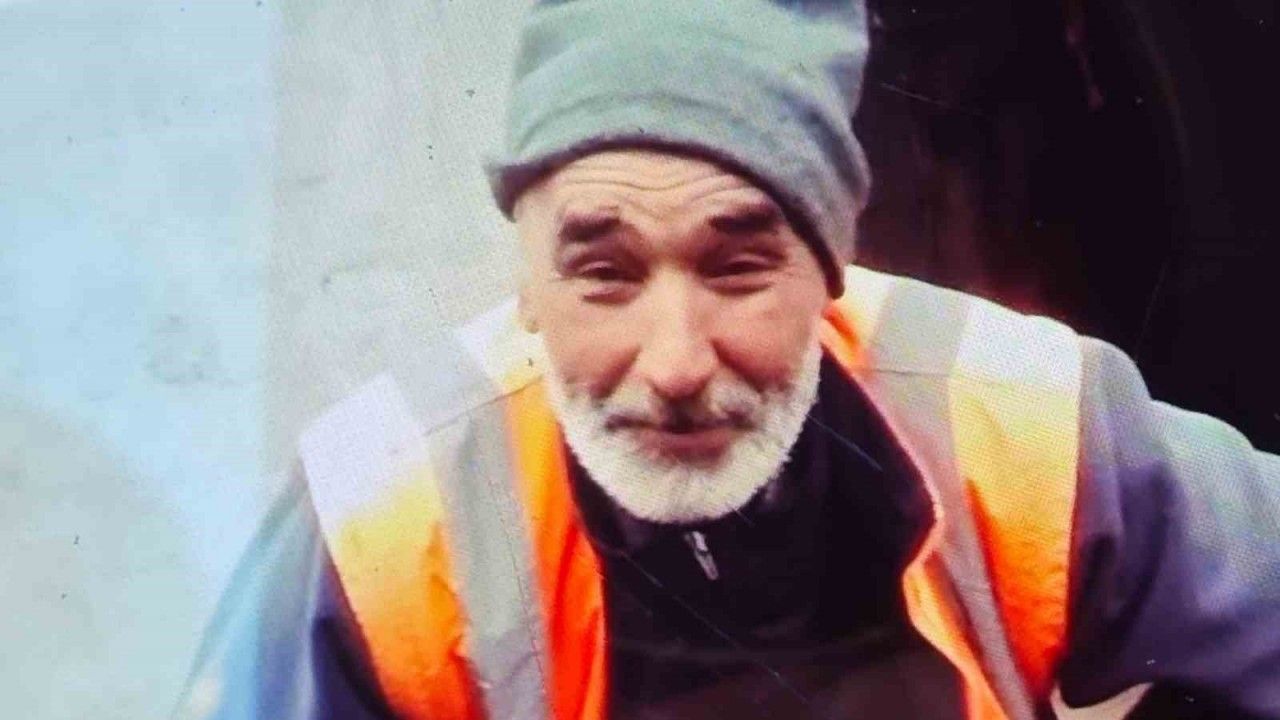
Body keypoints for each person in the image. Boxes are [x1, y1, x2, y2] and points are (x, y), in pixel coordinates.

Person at [174, 1, 1280, 719]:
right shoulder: (381, 516)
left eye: (738, 266)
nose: (674, 363)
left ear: (832, 264)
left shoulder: (1014, 421)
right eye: (604, 274)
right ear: (527, 283)